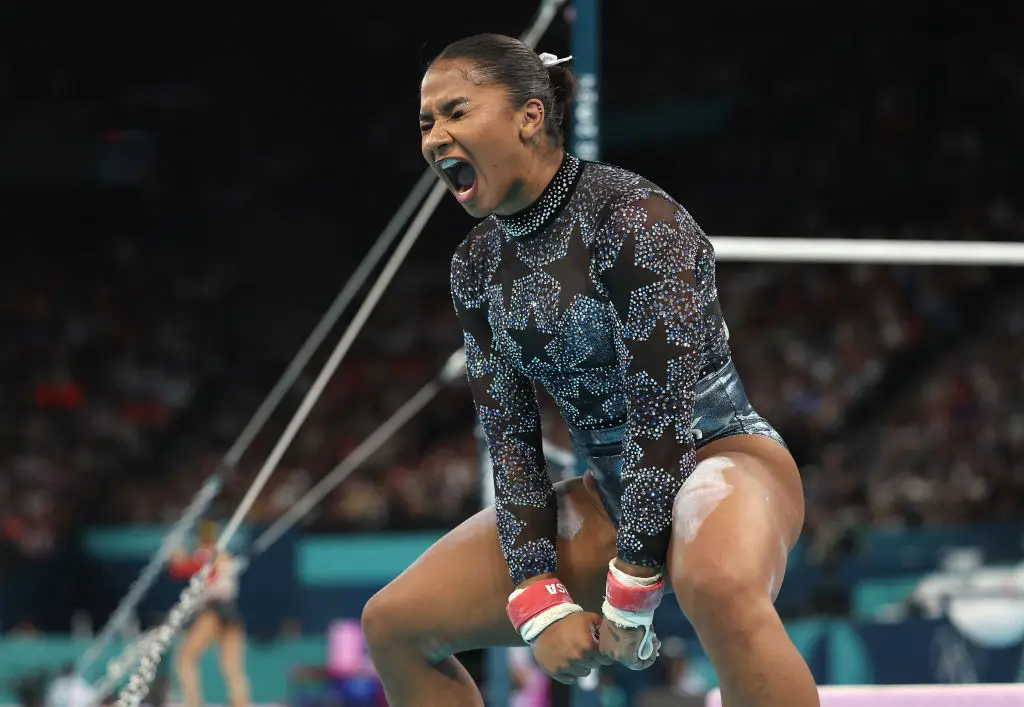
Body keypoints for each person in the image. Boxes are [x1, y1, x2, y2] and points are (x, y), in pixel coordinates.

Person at [361, 33, 818, 707]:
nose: (435, 137)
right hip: (611, 492)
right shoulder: (476, 267)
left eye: (456, 112)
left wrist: (630, 588)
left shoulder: (635, 220)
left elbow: (662, 416)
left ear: (529, 115)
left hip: (720, 459)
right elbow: (511, 442)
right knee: (394, 622)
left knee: (718, 584)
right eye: (427, 122)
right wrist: (536, 593)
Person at [168, 520, 250, 707]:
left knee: (185, 659)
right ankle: (241, 702)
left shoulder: (207, 555)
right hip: (231, 612)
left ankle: (192, 703)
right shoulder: (225, 556)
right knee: (232, 666)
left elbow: (181, 569)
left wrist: (176, 554)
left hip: (214, 612)